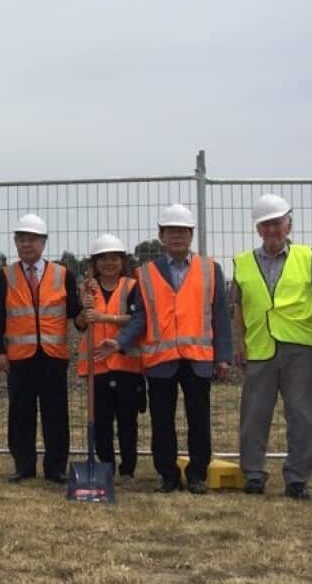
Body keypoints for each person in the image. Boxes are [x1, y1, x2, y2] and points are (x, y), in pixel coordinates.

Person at [103, 203, 232, 494]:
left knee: (199, 419)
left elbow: (221, 315)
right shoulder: (145, 273)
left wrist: (222, 356)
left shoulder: (210, 269)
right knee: (162, 422)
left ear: (191, 235)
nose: (177, 237)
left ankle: (197, 474)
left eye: (183, 231)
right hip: (161, 360)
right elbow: (141, 317)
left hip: (198, 359)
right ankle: (168, 475)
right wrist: (121, 341)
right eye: (171, 231)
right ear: (161, 235)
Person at [230, 194, 312, 500]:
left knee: (301, 414)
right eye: (266, 224)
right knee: (254, 415)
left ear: (289, 225)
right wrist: (238, 343)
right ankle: (254, 474)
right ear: (258, 229)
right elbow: (237, 307)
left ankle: (297, 478)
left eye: (277, 223)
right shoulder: (243, 263)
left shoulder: (306, 257)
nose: (272, 229)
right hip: (259, 347)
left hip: (300, 345)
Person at [0, 213, 83, 484]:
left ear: (43, 242)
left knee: (56, 414)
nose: (26, 244)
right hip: (19, 358)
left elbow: (75, 313)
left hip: (53, 358)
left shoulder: (63, 275)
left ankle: (56, 468)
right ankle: (24, 466)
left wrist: (86, 317)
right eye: (21, 239)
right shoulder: (5, 276)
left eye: (32, 239)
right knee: (21, 413)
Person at [74, 233, 145, 481]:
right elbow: (81, 324)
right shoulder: (87, 289)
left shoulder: (132, 286)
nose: (109, 263)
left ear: (122, 261)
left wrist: (106, 319)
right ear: (94, 263)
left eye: (114, 258)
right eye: (102, 259)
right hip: (97, 365)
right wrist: (85, 309)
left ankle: (128, 469)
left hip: (126, 363)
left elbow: (138, 320)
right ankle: (106, 467)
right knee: (101, 421)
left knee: (127, 420)